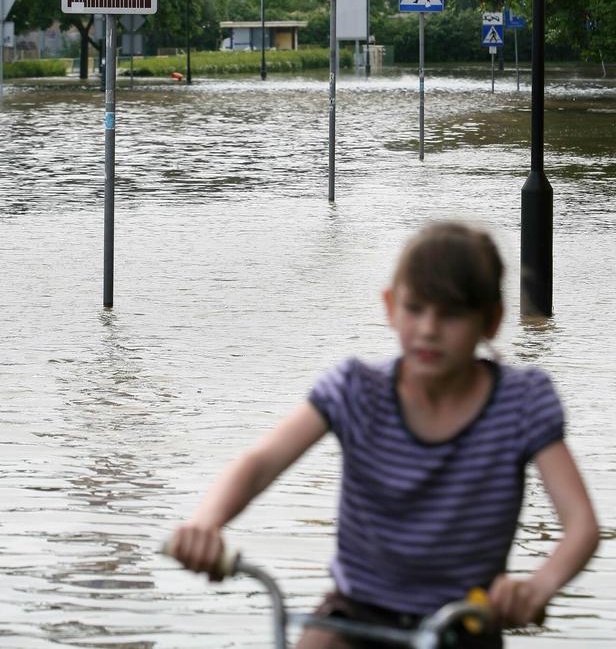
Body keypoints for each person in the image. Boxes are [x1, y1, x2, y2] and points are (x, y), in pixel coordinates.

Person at [169, 222, 599, 648]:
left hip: (460, 624)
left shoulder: (521, 403)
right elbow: (258, 464)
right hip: (355, 615)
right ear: (391, 306)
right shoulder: (356, 390)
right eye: (416, 309)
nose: (429, 328)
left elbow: (580, 526)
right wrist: (205, 524)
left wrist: (537, 588)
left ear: (491, 321)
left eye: (450, 313)